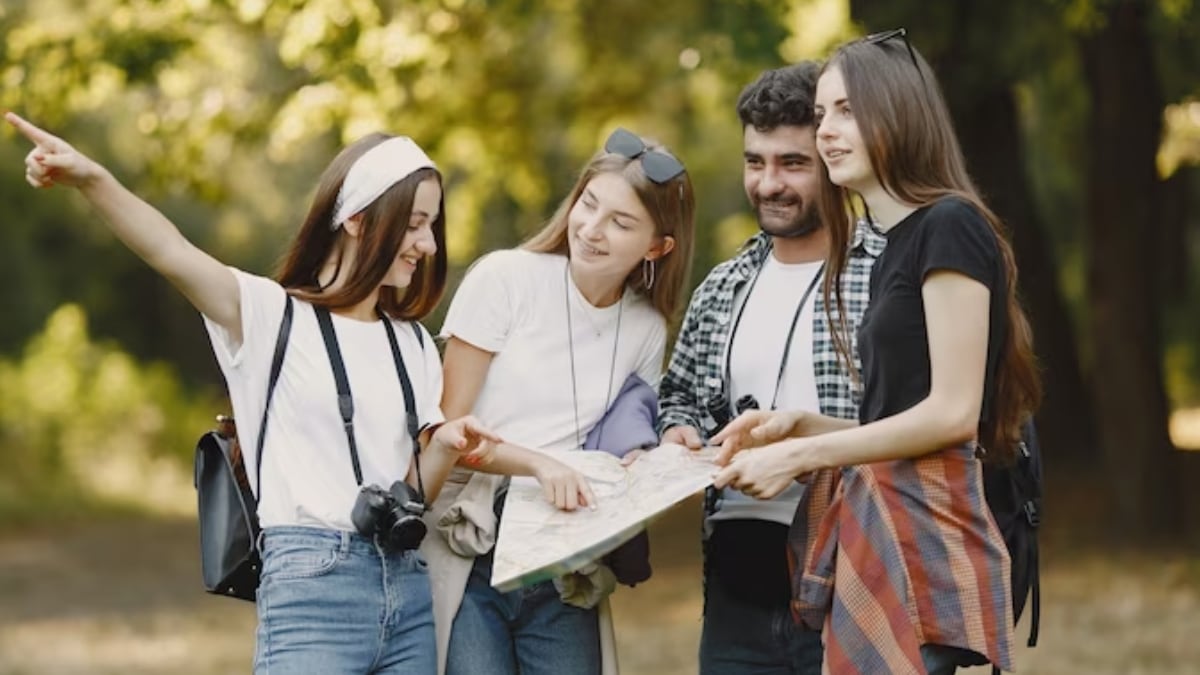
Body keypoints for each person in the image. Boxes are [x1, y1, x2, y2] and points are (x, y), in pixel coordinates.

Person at [7, 112, 501, 675]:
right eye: (415, 223)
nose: (428, 244)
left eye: (432, 226)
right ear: (360, 221)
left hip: (407, 593)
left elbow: (416, 493)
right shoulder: (271, 315)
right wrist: (92, 179)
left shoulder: (411, 343)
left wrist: (444, 447)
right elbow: (169, 250)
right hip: (312, 589)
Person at [710, 29, 1041, 674]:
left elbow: (951, 417)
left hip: (929, 541)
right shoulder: (896, 243)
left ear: (897, 112)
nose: (826, 130)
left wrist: (802, 454)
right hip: (888, 527)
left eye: (846, 110)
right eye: (821, 114)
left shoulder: (950, 225)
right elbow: (903, 419)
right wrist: (800, 425)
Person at [421, 127, 695, 675]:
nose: (592, 230)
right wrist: (538, 463)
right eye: (588, 205)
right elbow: (444, 433)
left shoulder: (644, 327)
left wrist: (660, 453)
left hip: (564, 555)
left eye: (620, 223)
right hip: (471, 538)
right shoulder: (506, 279)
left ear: (657, 246)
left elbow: (621, 435)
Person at [656, 62, 885, 675]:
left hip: (855, 570)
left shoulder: (889, 277)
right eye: (755, 162)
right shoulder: (722, 286)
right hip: (736, 584)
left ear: (833, 162)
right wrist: (678, 432)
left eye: (792, 163)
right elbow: (677, 397)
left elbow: (919, 426)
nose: (768, 183)